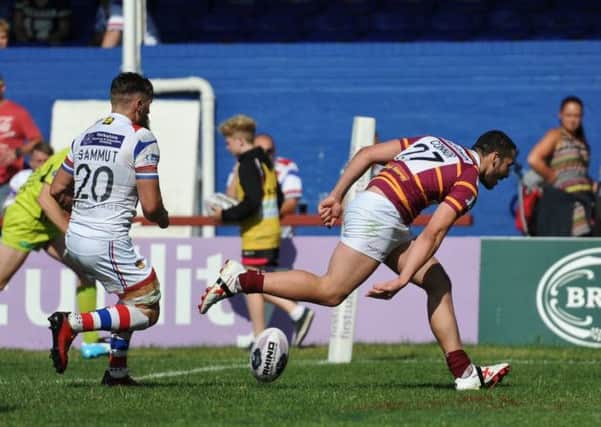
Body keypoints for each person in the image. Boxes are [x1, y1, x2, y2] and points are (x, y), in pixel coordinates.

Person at [200, 130, 517, 391]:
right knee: (331, 291)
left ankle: (465, 374)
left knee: (438, 282)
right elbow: (433, 234)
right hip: (383, 216)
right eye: (506, 167)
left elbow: (367, 154)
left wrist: (337, 195)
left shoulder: (436, 141)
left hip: (375, 204)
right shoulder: (468, 180)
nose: (505, 175)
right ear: (495, 157)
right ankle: (240, 279)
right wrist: (402, 278)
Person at [48, 72, 169, 386]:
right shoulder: (141, 137)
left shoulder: (85, 136)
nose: (149, 113)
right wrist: (163, 218)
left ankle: (116, 372)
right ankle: (73, 323)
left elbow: (56, 189)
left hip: (75, 238)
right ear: (140, 104)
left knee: (128, 300)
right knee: (147, 307)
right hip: (107, 240)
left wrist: (86, 206)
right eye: (149, 106)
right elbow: (151, 207)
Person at [211, 116, 314, 348]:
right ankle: (259, 334)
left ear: (238, 141)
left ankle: (295, 311)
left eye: (227, 142)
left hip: (257, 233)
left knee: (251, 283)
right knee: (254, 282)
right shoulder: (264, 161)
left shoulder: (247, 163)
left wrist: (224, 216)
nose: (227, 148)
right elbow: (276, 197)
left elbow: (252, 202)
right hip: (270, 230)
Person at [0, 147, 110, 359]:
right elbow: (45, 198)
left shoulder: (90, 156)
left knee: (86, 271)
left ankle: (91, 343)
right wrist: (72, 232)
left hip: (49, 221)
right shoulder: (76, 155)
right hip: (27, 219)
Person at [527, 96, 594, 236]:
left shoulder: (582, 142)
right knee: (580, 225)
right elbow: (534, 159)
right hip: (566, 199)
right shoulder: (555, 135)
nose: (573, 120)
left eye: (577, 115)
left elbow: (581, 172)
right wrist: (553, 177)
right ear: (560, 115)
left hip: (585, 195)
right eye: (569, 115)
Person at [0, 73, 45, 211]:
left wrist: (17, 152)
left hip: (8, 180)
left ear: (3, 88)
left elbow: (37, 140)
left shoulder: (17, 112)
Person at [3, 142, 53, 211]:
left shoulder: (58, 180)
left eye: (46, 161)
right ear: (31, 162)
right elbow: (8, 204)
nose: (43, 165)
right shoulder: (20, 178)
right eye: (39, 161)